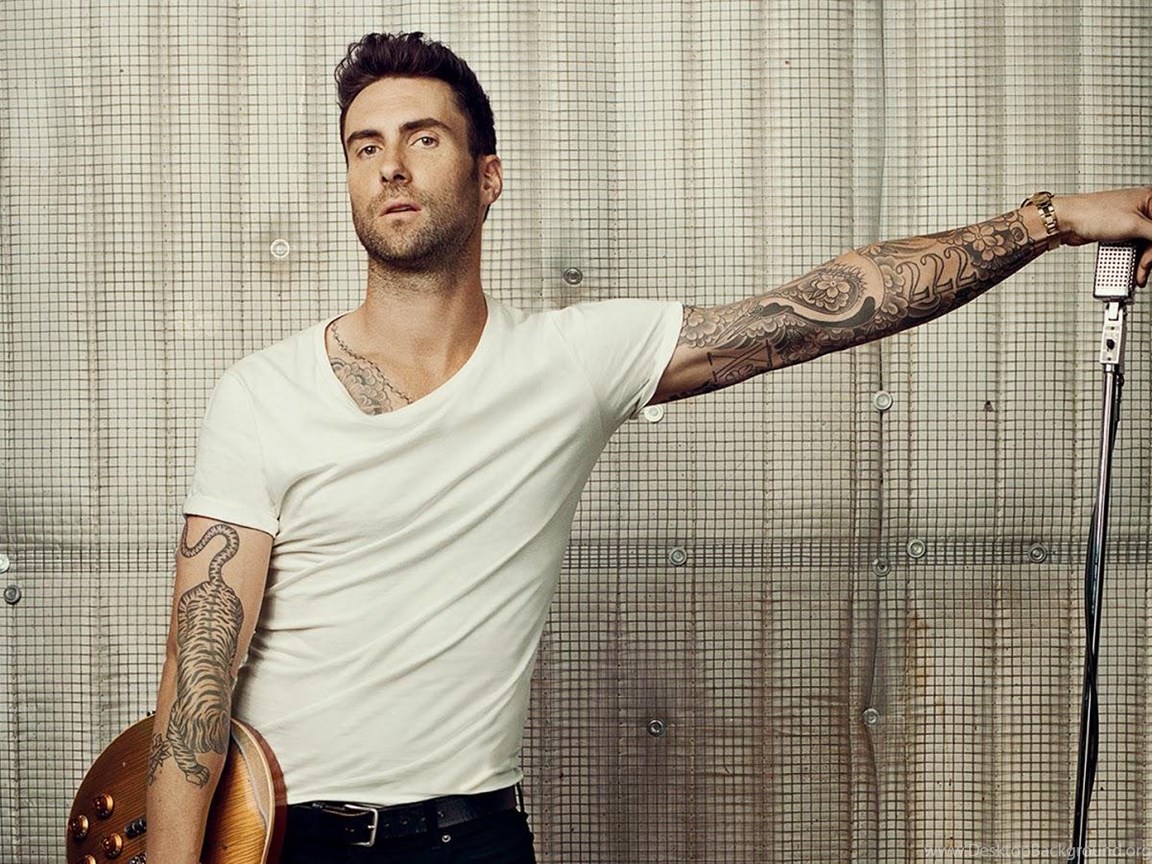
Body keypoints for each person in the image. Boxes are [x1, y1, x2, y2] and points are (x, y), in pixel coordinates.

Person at [144, 30, 1152, 864]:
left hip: (473, 838)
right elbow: (197, 681)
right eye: (364, 147)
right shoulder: (262, 396)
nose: (391, 166)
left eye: (423, 138)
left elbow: (832, 304)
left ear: (489, 178)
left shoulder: (571, 361)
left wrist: (1047, 222)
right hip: (283, 839)